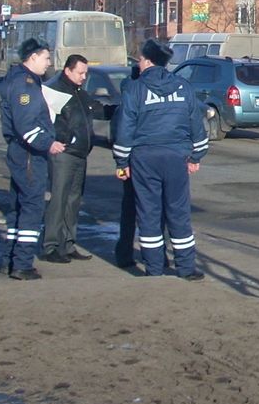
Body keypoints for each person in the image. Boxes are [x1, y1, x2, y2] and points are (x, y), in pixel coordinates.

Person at [112, 38, 208, 280]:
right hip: (177, 157)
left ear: (148, 61)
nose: (139, 64)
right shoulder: (183, 87)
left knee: (149, 214)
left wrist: (122, 163)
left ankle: (154, 269)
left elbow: (124, 130)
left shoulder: (134, 89)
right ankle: (186, 268)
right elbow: (196, 124)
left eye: (141, 59)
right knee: (179, 212)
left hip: (144, 158)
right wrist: (196, 155)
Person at [0, 37, 66, 280]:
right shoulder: (25, 85)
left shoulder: (22, 81)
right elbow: (26, 125)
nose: (49, 63)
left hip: (21, 152)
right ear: (33, 57)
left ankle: (11, 259)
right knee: (32, 205)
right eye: (46, 58)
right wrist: (49, 143)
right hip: (28, 154)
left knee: (17, 206)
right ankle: (23, 263)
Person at [40, 54, 94, 264]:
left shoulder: (79, 91)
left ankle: (67, 243)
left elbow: (90, 111)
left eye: (85, 73)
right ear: (68, 70)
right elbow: (48, 119)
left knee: (73, 200)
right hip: (64, 154)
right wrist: (62, 138)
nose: (83, 77)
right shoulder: (53, 90)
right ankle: (51, 245)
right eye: (80, 73)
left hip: (80, 154)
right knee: (58, 199)